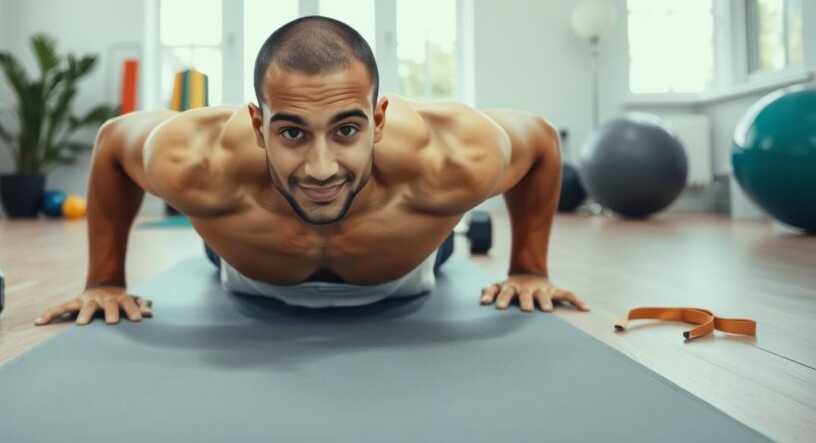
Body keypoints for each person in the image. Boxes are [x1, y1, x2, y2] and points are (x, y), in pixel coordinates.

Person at [36, 16, 589, 326]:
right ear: (258, 125)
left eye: (347, 130)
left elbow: (539, 138)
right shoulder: (196, 159)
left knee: (441, 238)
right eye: (293, 133)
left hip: (406, 269)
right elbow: (112, 143)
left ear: (378, 119)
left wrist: (528, 270)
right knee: (219, 238)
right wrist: (104, 282)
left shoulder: (451, 157)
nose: (321, 168)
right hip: (247, 267)